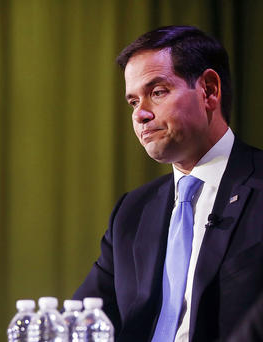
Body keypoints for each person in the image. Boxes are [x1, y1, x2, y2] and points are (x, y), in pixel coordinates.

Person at [72, 25, 263, 342]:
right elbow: (84, 319)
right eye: (133, 102)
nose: (141, 114)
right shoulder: (132, 212)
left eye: (157, 92)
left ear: (209, 90)